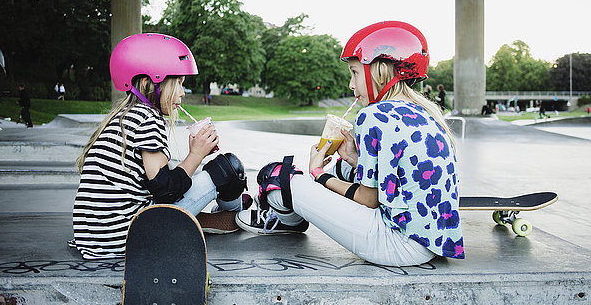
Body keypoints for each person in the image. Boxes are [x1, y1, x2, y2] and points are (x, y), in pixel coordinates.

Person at [236, 21, 464, 266]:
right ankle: (289, 212)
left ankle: (283, 220)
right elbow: (399, 176)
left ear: (380, 70)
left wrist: (318, 174)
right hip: (431, 241)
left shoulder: (374, 114)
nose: (351, 84)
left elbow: (369, 199)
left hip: (397, 244)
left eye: (355, 72)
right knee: (344, 169)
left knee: (280, 177)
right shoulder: (424, 112)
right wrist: (356, 159)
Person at [72, 33, 249, 259]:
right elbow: (164, 189)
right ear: (148, 83)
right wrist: (196, 154)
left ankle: (207, 217)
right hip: (132, 240)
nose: (183, 93)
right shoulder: (148, 118)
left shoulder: (124, 116)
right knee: (229, 168)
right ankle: (233, 213)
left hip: (95, 239)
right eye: (178, 84)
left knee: (209, 173)